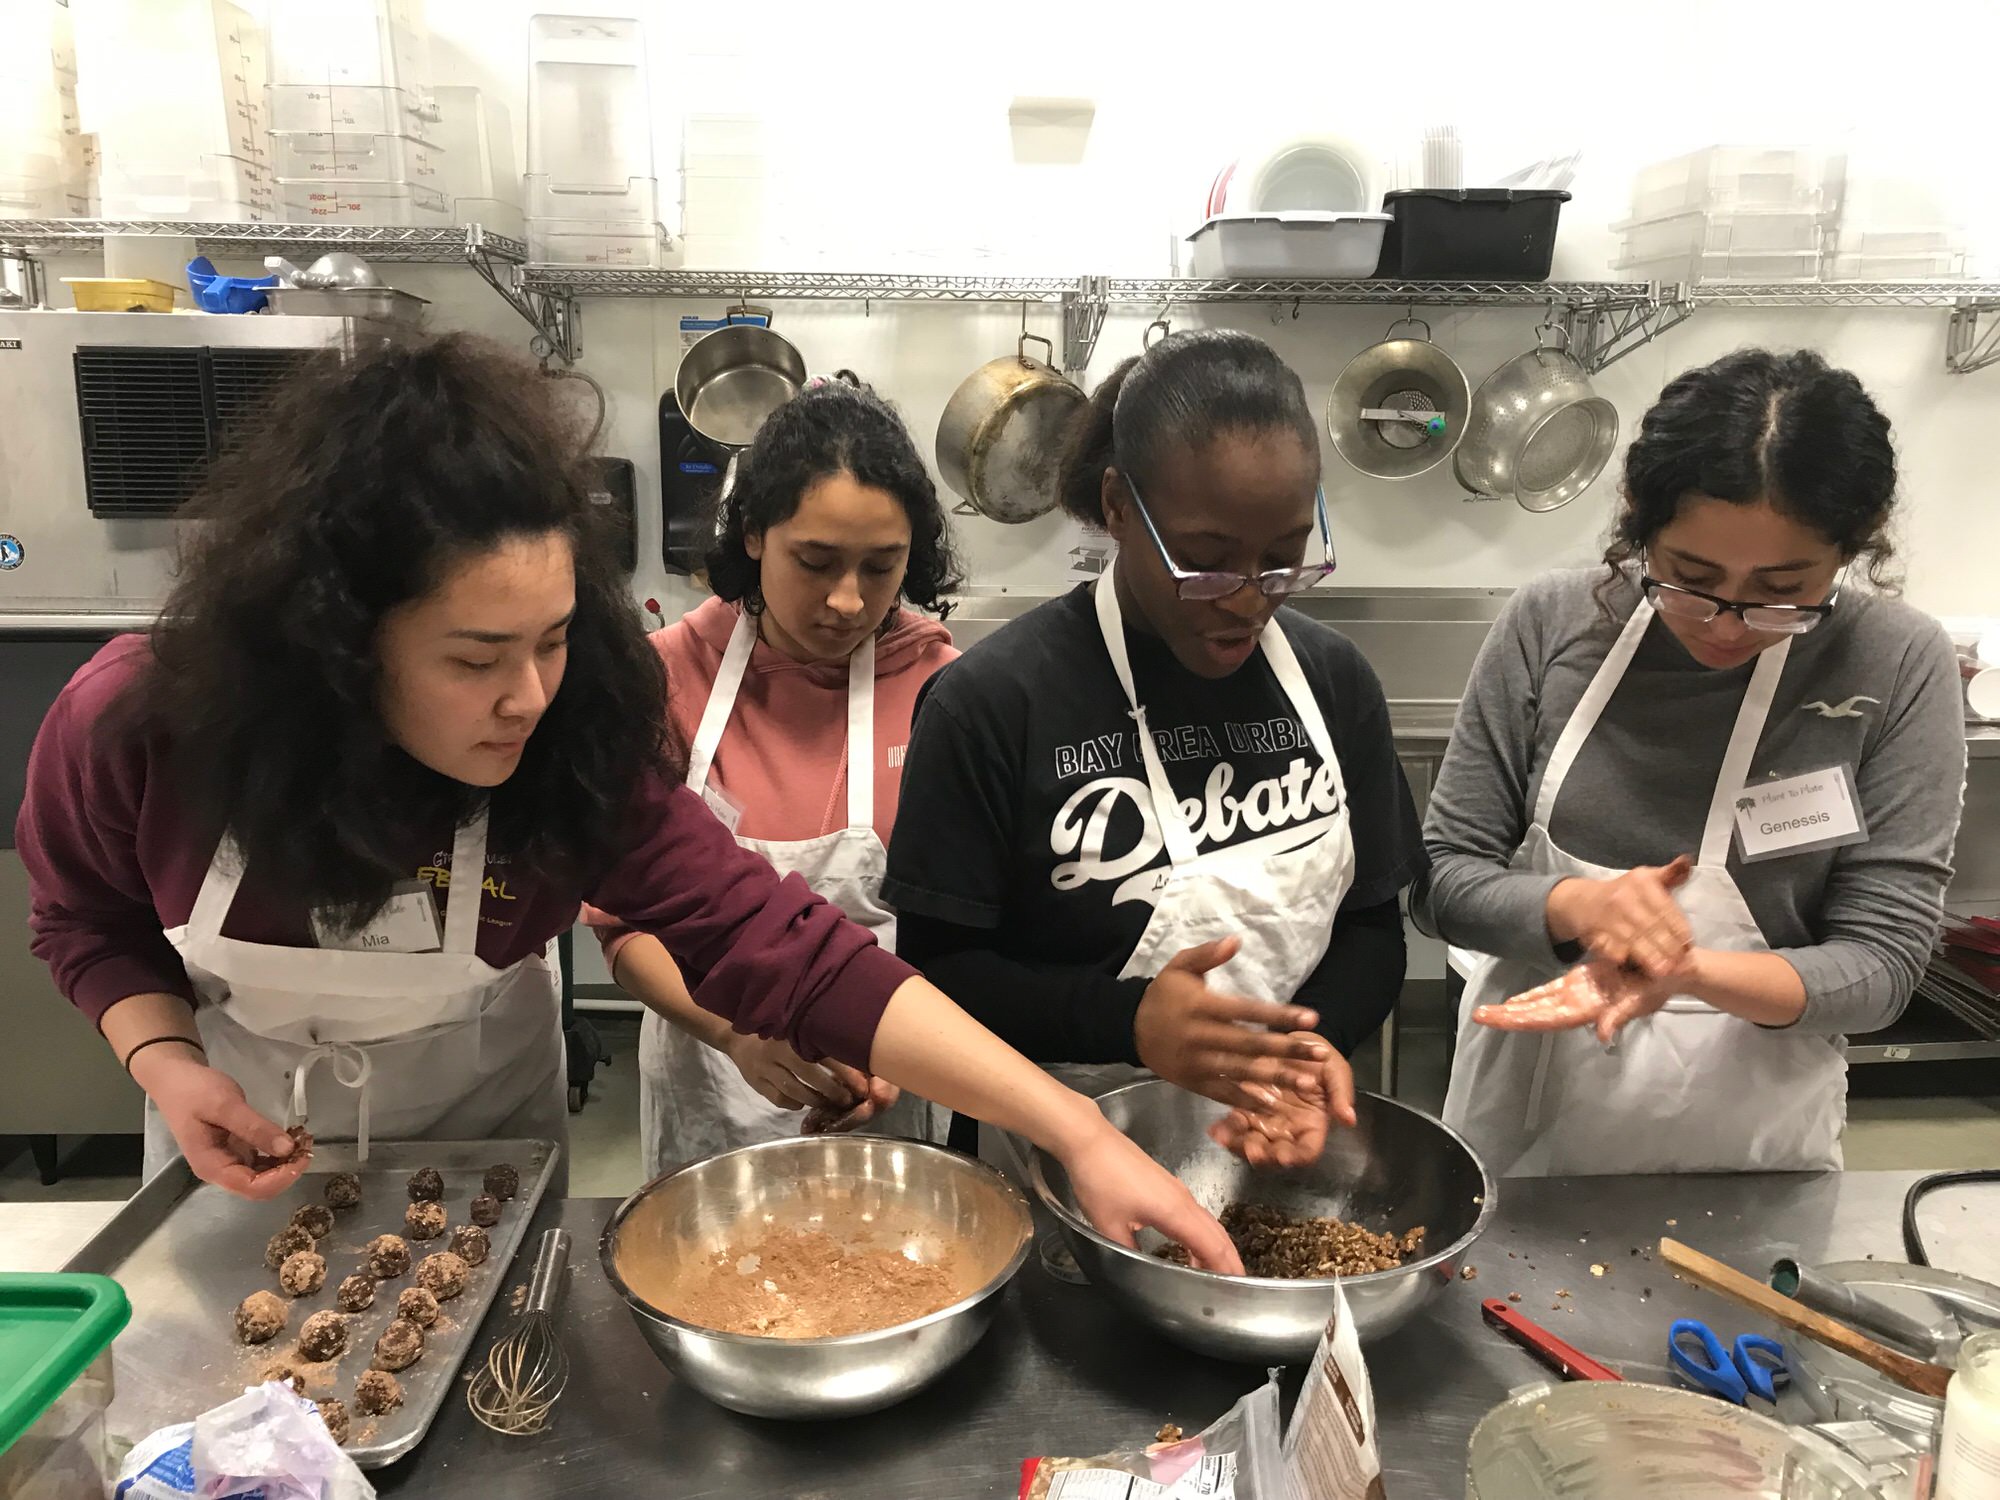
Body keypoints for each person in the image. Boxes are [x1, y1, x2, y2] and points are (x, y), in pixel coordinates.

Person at [15, 334, 1240, 1270]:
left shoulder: (574, 742)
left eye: (551, 639)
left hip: (476, 1118)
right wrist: (167, 1061)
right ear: (334, 640)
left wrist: (1078, 1135)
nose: (528, 696)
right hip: (228, 1132)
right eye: (473, 657)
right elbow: (88, 922)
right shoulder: (141, 725)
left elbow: (788, 950)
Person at [883, 329, 1428, 1166]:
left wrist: (1306, 1053)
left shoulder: (1334, 682)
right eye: (1205, 563)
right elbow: (937, 972)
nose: (1248, 600)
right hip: (1053, 1163)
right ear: (1116, 507)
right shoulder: (991, 704)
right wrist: (1126, 1020)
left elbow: (1370, 929)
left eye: (1283, 561)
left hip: (1265, 1154)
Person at [1420, 348, 1966, 1177]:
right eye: (1689, 577)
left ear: (1853, 548)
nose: (1726, 624)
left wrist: (1683, 973)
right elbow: (1445, 883)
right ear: (1640, 523)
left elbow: (1884, 966)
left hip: (1753, 1153)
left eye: (1783, 590)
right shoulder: (1552, 623)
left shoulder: (1895, 661)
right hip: (1521, 1130)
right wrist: (1575, 905)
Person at [585, 378, 959, 1172]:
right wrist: (734, 1029)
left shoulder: (943, 690)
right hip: (712, 1070)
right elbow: (624, 923)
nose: (848, 601)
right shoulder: (666, 679)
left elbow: (961, 928)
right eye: (815, 562)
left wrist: (902, 1045)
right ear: (753, 534)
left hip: (890, 1073)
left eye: (881, 568)